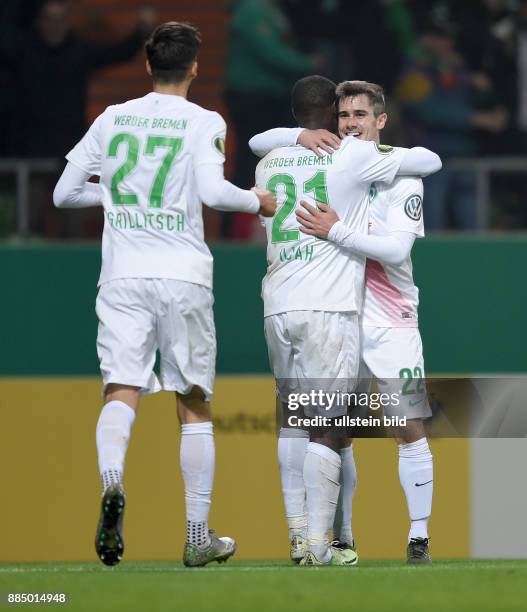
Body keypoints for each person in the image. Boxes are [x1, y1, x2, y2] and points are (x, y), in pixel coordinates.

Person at [53, 21, 276, 567]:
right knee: (194, 402)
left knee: (121, 388)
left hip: (122, 276)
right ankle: (197, 538)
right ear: (196, 67)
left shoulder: (111, 118)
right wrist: (256, 201)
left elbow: (62, 194)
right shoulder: (203, 120)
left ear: (148, 66)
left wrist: (114, 194)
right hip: (182, 274)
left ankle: (112, 483)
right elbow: (211, 193)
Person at [251, 75, 441, 565]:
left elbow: (397, 247)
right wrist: (297, 135)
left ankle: (418, 534)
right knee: (337, 430)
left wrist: (337, 232)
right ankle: (340, 537)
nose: (350, 123)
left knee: (407, 425)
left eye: (360, 115)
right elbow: (261, 139)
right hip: (339, 311)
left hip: (390, 314)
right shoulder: (331, 156)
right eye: (343, 115)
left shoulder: (400, 173)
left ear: (381, 120)